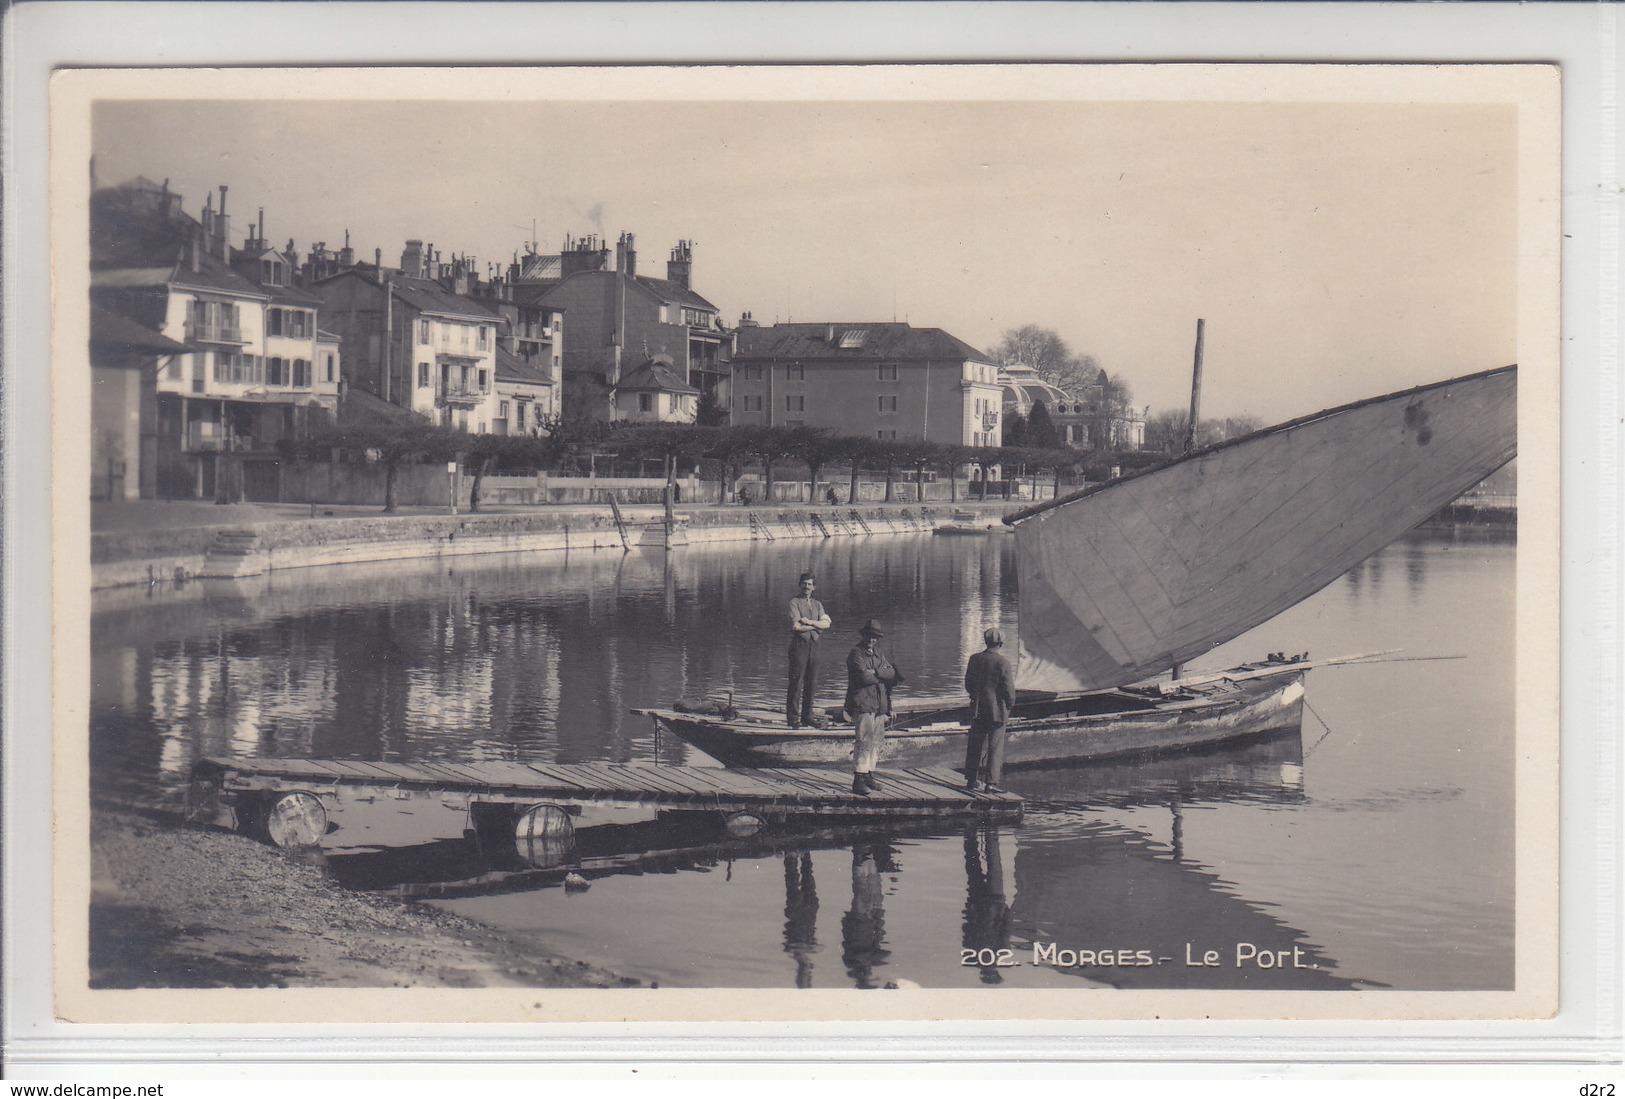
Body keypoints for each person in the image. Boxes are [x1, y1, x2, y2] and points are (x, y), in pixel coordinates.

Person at [844, 619, 904, 795]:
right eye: (869, 636)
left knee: (876, 741)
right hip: (863, 703)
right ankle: (858, 779)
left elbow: (891, 672)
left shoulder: (879, 653)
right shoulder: (856, 653)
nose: (872, 640)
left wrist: (876, 672)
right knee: (863, 740)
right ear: (863, 635)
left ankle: (869, 774)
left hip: (879, 704)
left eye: (875, 637)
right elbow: (863, 678)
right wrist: (880, 673)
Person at [963, 626, 1016, 792]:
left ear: (986, 641)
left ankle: (971, 780)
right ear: (1000, 644)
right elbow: (1009, 691)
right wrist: (1009, 705)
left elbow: (968, 684)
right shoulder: (1003, 663)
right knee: (995, 747)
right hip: (997, 712)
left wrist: (976, 698)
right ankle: (991, 783)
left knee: (974, 745)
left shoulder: (974, 659)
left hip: (978, 709)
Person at [786, 572, 831, 728]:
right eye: (804, 583)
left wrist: (811, 623)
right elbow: (796, 626)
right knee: (796, 682)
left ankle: (807, 716)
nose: (807, 587)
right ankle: (793, 719)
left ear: (814, 587)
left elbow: (827, 624)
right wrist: (817, 625)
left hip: (815, 645)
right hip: (800, 645)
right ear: (800, 585)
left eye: (810, 584)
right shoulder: (794, 602)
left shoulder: (818, 604)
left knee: (812, 682)